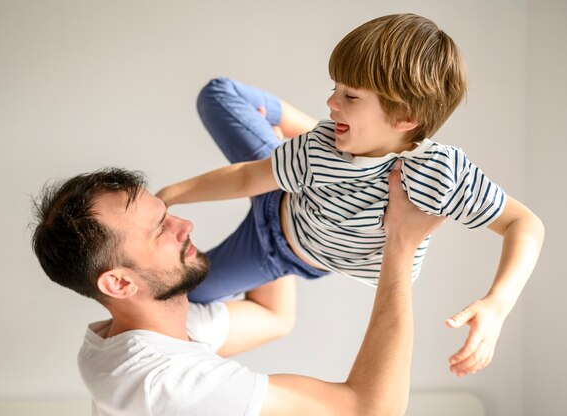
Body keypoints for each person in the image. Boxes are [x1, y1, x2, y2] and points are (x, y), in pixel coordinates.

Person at [156, 13, 545, 377]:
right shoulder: (322, 145)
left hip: (275, 250)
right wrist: (170, 195)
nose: (331, 102)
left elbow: (524, 224)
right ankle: (304, 148)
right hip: (284, 189)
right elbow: (246, 179)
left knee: (184, 295)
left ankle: (313, 154)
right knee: (219, 94)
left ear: (405, 118)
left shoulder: (440, 174)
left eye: (350, 97)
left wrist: (497, 305)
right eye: (334, 89)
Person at [31, 163, 444, 415]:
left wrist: (283, 208)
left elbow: (272, 317)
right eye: (161, 230)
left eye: (167, 214)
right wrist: (400, 247)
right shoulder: (167, 387)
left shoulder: (132, 335)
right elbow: (371, 411)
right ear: (119, 282)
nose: (185, 226)